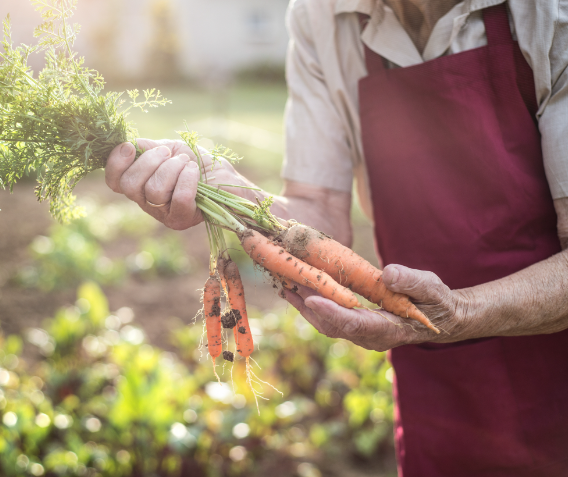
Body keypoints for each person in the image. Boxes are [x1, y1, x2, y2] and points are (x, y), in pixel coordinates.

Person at [104, 0, 568, 475]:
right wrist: (225, 190)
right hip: (430, 370)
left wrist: (461, 312)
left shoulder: (550, 13)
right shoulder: (320, 14)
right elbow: (317, 211)